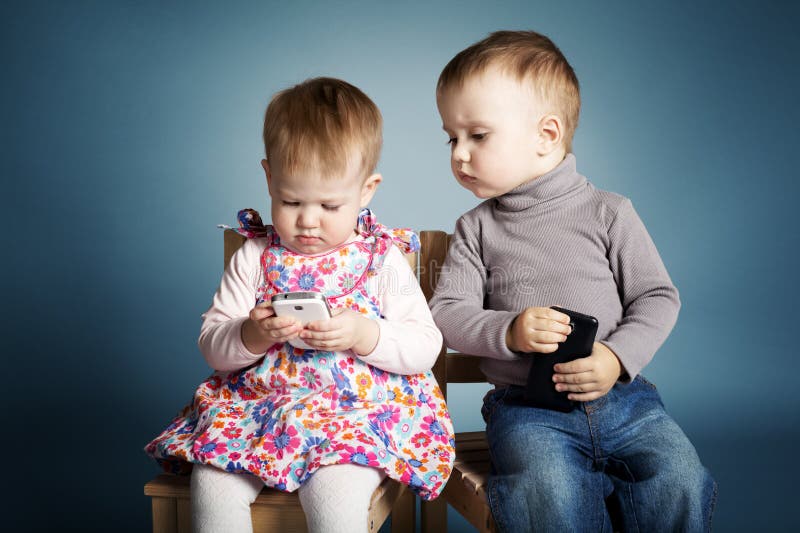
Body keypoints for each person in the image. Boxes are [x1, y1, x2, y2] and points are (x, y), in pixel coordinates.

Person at [429, 30, 716, 532]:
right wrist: (508, 331)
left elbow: (656, 297)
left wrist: (615, 356)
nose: (459, 153)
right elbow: (447, 312)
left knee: (680, 477)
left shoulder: (609, 212)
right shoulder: (476, 227)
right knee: (546, 490)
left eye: (478, 135)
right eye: (452, 137)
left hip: (625, 402)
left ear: (547, 135)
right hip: (527, 412)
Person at [145, 77, 454, 533]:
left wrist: (363, 334)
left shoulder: (382, 258)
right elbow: (212, 344)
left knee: (336, 498)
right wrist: (251, 334)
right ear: (269, 178)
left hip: (353, 415)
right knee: (212, 484)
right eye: (290, 201)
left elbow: (425, 345)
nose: (308, 220)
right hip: (258, 410)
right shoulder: (255, 256)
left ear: (367, 190)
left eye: (330, 205)